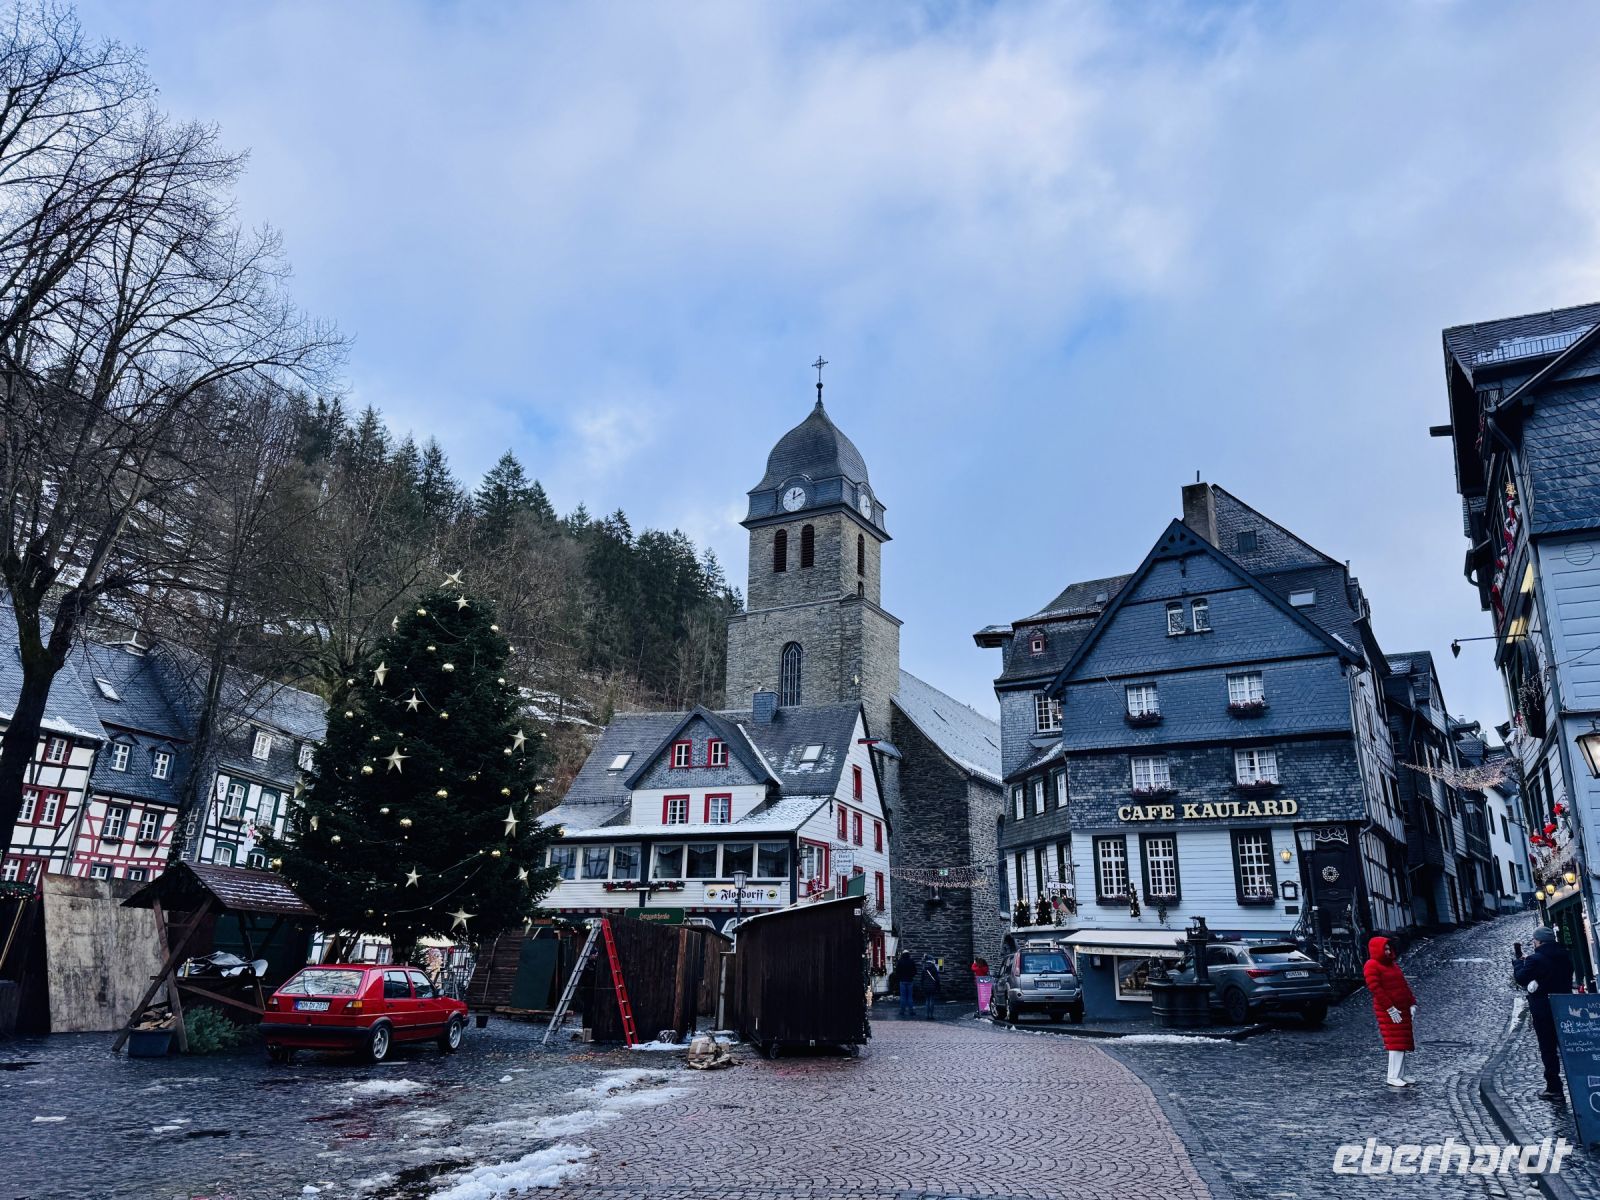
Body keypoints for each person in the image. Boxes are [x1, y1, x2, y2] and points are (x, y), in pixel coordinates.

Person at [1515, 926, 1574, 1100]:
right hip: (1566, 1007)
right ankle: (1580, 1084)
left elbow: (1521, 978)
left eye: (1534, 940)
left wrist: (1519, 962)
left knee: (1548, 1048)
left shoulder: (1536, 959)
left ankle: (1554, 1088)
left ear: (1538, 941)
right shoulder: (1564, 955)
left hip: (1544, 1009)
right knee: (1570, 1047)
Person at [1363, 935, 1417, 1088]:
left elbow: (1403, 985)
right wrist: (1390, 1008)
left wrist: (1412, 1003)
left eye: (1388, 948)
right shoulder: (1371, 965)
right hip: (1389, 1010)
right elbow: (1376, 989)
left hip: (1402, 1009)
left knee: (1403, 1042)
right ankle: (1392, 1076)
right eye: (1384, 949)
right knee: (1395, 1044)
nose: (1387, 951)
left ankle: (1401, 1074)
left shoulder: (1392, 965)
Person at [893, 950, 917, 1018]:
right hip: (910, 980)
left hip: (902, 981)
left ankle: (902, 1011)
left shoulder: (900, 961)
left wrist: (900, 977)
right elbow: (915, 971)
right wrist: (911, 976)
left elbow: (897, 972)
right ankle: (911, 1011)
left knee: (903, 997)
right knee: (910, 997)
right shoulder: (911, 961)